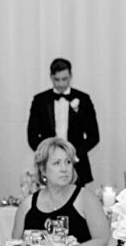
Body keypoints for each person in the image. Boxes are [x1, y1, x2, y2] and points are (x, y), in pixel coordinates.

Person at [13, 137, 110, 246]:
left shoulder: (85, 198)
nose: (64, 169)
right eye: (57, 163)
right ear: (43, 169)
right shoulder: (27, 205)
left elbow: (105, 240)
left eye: (68, 162)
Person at [27, 58, 100, 186]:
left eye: (64, 79)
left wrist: (74, 154)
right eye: (56, 80)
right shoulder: (40, 100)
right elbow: (32, 136)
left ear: (71, 76)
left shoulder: (83, 99)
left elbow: (94, 136)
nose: (60, 84)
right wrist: (47, 155)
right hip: (49, 165)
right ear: (51, 77)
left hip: (77, 164)